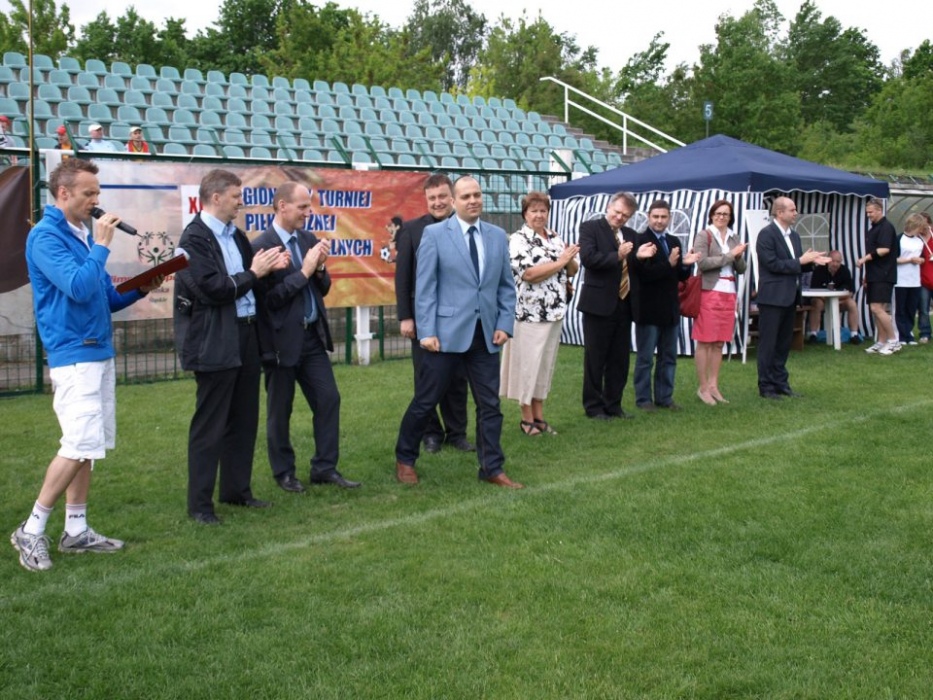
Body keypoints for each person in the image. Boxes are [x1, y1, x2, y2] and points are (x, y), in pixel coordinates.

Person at [11, 159, 163, 572]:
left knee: (89, 446)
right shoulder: (46, 237)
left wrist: (140, 288)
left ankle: (75, 529)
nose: (96, 201)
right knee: (78, 443)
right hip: (74, 353)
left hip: (96, 350)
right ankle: (31, 528)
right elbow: (78, 288)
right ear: (63, 194)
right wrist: (102, 245)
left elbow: (104, 298)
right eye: (88, 193)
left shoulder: (80, 236)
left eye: (98, 193)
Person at [174, 169, 288, 524]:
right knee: (210, 425)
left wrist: (269, 269)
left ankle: (237, 492)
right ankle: (200, 505)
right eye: (236, 196)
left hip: (247, 334)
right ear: (216, 197)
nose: (241, 202)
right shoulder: (194, 239)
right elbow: (213, 288)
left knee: (244, 418)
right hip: (215, 339)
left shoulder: (236, 235)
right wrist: (255, 273)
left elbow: (249, 283)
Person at [394, 176, 521, 488]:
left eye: (477, 194)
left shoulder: (496, 236)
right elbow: (425, 287)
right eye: (465, 196)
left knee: (490, 405)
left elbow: (506, 286)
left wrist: (504, 324)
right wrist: (426, 331)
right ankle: (405, 458)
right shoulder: (435, 235)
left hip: (485, 336)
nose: (473, 200)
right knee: (426, 401)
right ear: (453, 201)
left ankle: (492, 468)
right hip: (443, 336)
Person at [252, 182, 360, 493]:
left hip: (311, 339)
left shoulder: (307, 239)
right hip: (280, 343)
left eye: (309, 206)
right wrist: (305, 271)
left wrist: (320, 268)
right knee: (280, 410)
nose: (308, 212)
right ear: (282, 206)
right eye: (302, 207)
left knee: (329, 399)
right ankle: (284, 472)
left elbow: (321, 289)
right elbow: (269, 301)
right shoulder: (262, 246)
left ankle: (324, 468)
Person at [394, 173, 473, 453]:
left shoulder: (466, 228)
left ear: (452, 198)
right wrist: (406, 316)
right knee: (425, 377)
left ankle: (457, 433)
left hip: (459, 318)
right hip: (423, 318)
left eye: (442, 197)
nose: (437, 202)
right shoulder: (411, 230)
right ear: (426, 200)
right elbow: (403, 276)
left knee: (457, 378)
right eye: (432, 198)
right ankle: (431, 434)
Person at [500, 191, 579, 435]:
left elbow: (572, 270)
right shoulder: (518, 240)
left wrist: (568, 259)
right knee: (528, 366)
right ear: (525, 214)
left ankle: (539, 416)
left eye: (543, 210)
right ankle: (526, 420)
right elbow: (529, 274)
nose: (539, 215)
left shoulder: (554, 237)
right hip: (529, 314)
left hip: (554, 312)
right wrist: (561, 261)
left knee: (544, 366)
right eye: (533, 211)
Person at [577, 192, 649, 420]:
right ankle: (593, 406)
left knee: (619, 359)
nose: (619, 217)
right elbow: (589, 259)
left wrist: (640, 257)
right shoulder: (590, 228)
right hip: (598, 303)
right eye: (617, 212)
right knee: (595, 358)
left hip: (624, 304)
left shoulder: (631, 235)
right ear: (609, 207)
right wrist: (617, 255)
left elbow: (634, 268)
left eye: (625, 215)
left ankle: (613, 404)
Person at [755, 196, 829, 399]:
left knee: (783, 343)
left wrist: (812, 262)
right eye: (792, 210)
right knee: (769, 343)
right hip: (772, 297)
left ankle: (781, 382)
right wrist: (801, 261)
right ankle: (766, 385)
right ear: (780, 212)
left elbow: (796, 264)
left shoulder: (794, 236)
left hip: (790, 296)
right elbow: (772, 264)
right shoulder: (766, 235)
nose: (795, 213)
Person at [631, 199, 699, 411]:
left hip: (670, 308)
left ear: (669, 218)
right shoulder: (641, 240)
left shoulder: (673, 240)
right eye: (656, 217)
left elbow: (678, 276)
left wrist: (686, 265)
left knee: (669, 357)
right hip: (649, 308)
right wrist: (668, 264)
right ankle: (644, 399)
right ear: (648, 217)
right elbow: (644, 275)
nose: (659, 221)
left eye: (663, 217)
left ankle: (664, 397)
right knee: (646, 358)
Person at [692, 199, 747, 405]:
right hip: (710, 291)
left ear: (730, 217)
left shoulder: (734, 237)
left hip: (729, 291)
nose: (721, 217)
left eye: (725, 214)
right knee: (705, 340)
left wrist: (738, 257)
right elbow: (703, 263)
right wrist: (729, 255)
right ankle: (703, 386)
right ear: (711, 215)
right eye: (718, 213)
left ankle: (713, 385)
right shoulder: (704, 235)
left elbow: (741, 268)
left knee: (719, 342)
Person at [857, 198, 898, 355]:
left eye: (871, 212)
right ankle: (881, 341)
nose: (869, 215)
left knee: (877, 308)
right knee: (876, 310)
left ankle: (893, 340)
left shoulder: (886, 227)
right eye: (867, 212)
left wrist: (864, 259)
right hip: (874, 274)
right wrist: (867, 275)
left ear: (880, 210)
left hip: (884, 274)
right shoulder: (873, 228)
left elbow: (884, 249)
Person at [806, 250, 862, 345]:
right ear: (828, 260)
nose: (835, 264)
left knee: (852, 303)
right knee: (816, 303)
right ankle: (813, 334)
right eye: (833, 261)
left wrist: (835, 300)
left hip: (839, 301)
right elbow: (814, 291)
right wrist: (828, 300)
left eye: (838, 262)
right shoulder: (819, 270)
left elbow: (850, 292)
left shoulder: (845, 271)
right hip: (822, 301)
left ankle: (854, 334)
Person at [893, 214, 926, 346]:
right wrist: (909, 260)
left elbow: (923, 257)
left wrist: (920, 260)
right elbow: (893, 259)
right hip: (901, 280)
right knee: (900, 308)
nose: (921, 230)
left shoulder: (920, 241)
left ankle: (909, 333)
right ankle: (901, 335)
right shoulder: (899, 239)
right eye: (920, 227)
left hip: (915, 280)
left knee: (911, 308)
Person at [918, 212, 933, 344]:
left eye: (924, 223)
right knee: (923, 308)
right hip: (922, 279)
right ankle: (925, 333)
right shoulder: (916, 239)